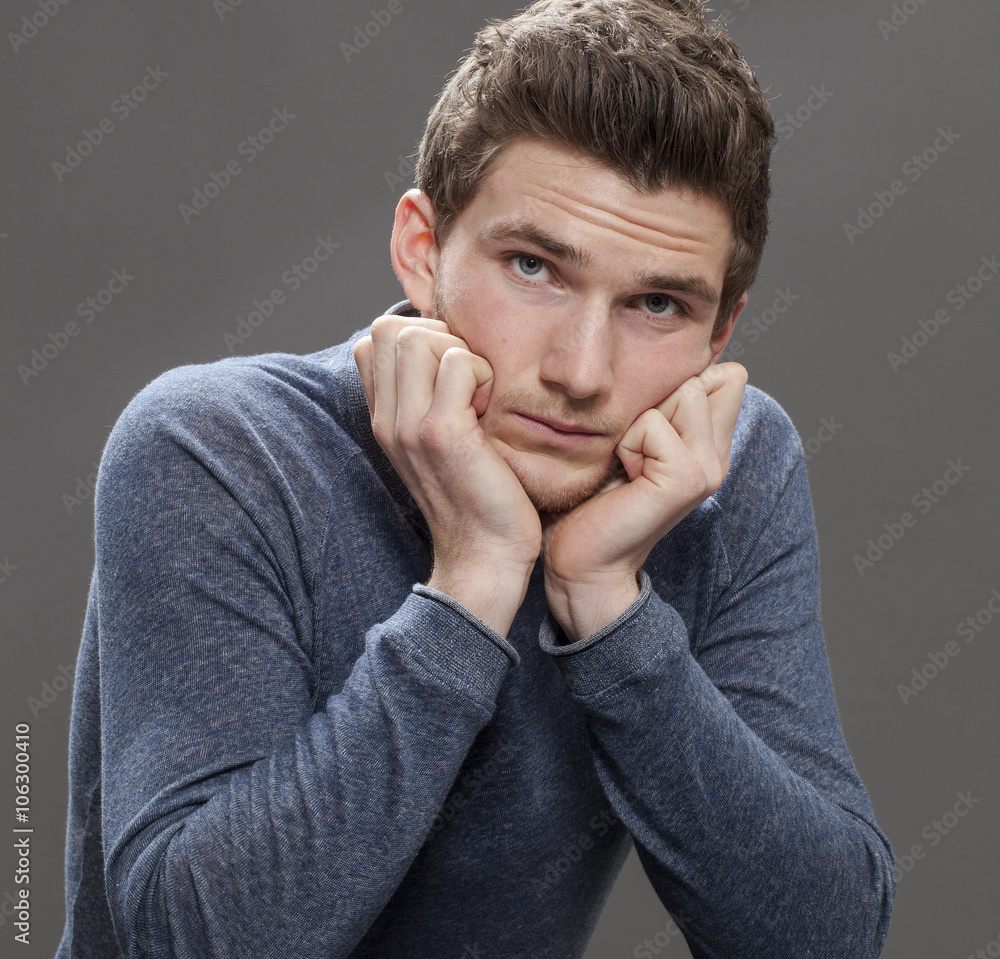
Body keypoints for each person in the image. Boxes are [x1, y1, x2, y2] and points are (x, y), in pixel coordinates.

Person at [56, 1, 896, 956]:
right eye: (534, 266)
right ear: (423, 248)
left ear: (721, 331)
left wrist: (608, 608)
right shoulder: (220, 446)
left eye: (657, 304)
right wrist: (475, 579)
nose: (581, 372)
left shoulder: (723, 473)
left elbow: (827, 938)